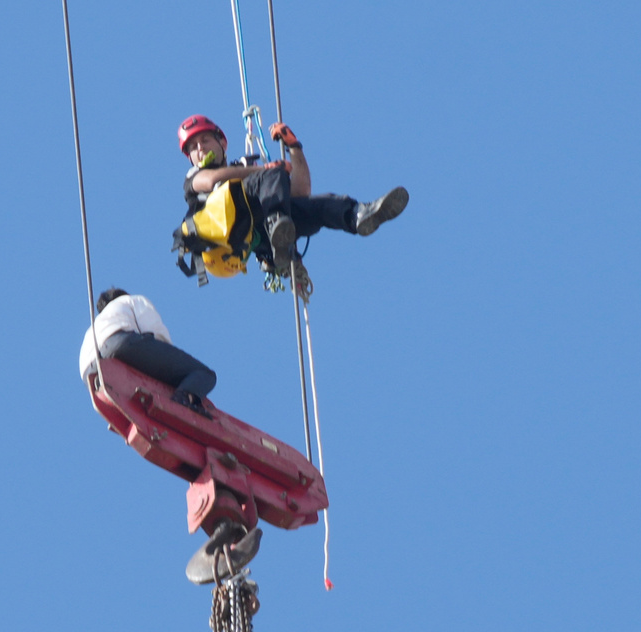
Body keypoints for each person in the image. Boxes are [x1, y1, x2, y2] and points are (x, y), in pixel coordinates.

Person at [176, 114, 410, 277]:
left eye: (205, 140)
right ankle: (278, 225)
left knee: (318, 205)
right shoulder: (193, 178)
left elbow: (299, 192)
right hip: (230, 233)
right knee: (272, 177)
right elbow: (211, 181)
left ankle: (357, 216)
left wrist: (294, 147)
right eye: (193, 147)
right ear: (190, 158)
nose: (200, 148)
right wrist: (265, 170)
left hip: (259, 229)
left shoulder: (249, 172)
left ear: (222, 142)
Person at [79, 288, 216, 417]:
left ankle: (104, 385)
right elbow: (156, 331)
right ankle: (183, 399)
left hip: (89, 373)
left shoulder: (92, 327)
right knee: (204, 374)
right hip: (119, 343)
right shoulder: (131, 300)